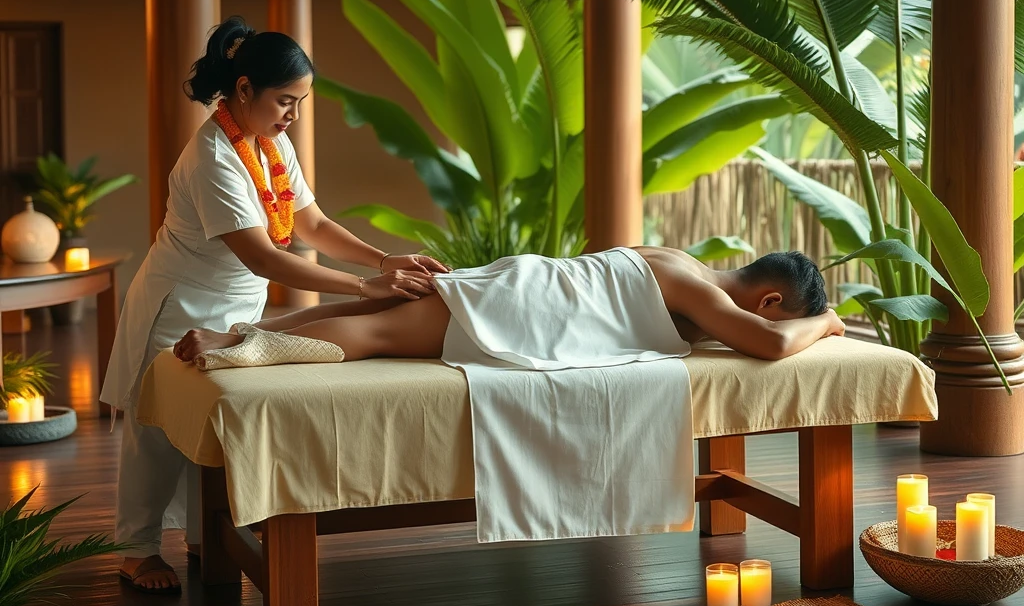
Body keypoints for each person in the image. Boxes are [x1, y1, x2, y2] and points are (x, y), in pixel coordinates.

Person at [101, 16, 447, 594]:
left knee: (214, 419)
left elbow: (310, 222)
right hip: (181, 300)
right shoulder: (212, 155)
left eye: (299, 103)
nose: (293, 115)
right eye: (285, 101)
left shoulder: (272, 141)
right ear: (243, 90)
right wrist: (366, 289)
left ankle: (202, 534)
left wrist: (384, 261)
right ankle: (135, 550)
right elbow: (263, 256)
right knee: (156, 428)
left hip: (239, 302)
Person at [174, 247, 845, 368]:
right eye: (776, 314)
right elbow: (773, 346)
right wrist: (832, 323)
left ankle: (240, 330)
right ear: (769, 299)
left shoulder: (684, 262)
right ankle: (249, 351)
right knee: (377, 333)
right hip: (530, 309)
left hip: (528, 284)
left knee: (382, 324)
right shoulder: (701, 290)